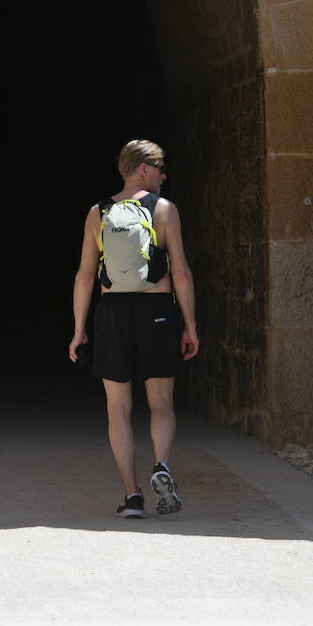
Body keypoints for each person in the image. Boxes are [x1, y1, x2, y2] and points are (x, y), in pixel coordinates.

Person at [69, 139, 199, 519]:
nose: (164, 174)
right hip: (158, 311)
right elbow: (180, 273)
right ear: (143, 169)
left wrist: (79, 329)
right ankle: (161, 465)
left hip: (112, 313)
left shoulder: (98, 212)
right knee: (161, 403)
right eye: (160, 167)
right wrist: (189, 325)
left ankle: (132, 496)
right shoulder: (164, 210)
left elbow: (84, 277)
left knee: (118, 409)